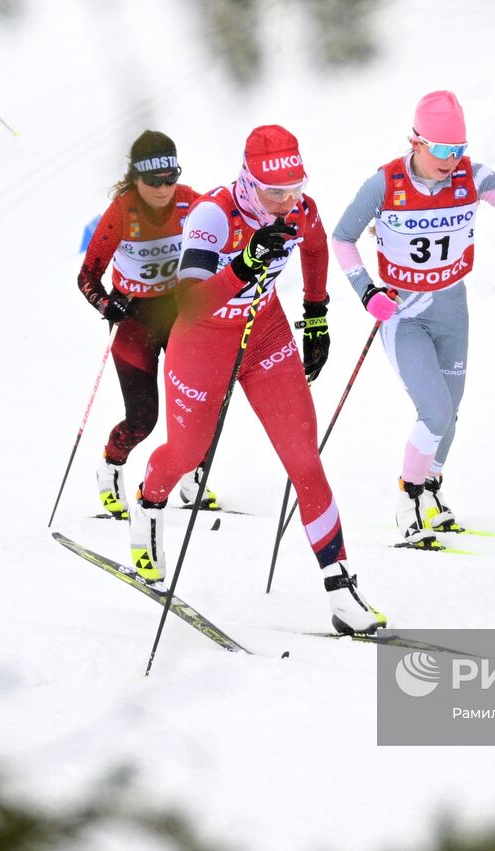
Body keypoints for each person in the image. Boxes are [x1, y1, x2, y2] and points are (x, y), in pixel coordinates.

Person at [127, 124, 385, 634]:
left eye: (295, 188)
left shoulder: (299, 209)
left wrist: (316, 315)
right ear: (248, 181)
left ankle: (340, 589)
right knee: (188, 453)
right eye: (274, 192)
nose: (287, 202)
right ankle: (148, 503)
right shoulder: (213, 215)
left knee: (304, 460)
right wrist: (246, 264)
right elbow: (191, 301)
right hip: (203, 342)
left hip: (265, 334)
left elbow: (316, 248)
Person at [331, 90, 495, 547]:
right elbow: (342, 238)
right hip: (404, 314)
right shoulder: (385, 184)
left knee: (449, 414)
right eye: (442, 149)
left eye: (459, 149)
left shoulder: (474, 177)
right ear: (416, 142)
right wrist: (366, 292)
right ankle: (408, 496)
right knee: (434, 411)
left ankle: (431, 487)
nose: (451, 160)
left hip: (452, 308)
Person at [76, 130, 220, 520]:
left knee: (199, 405)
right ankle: (111, 466)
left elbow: (227, 242)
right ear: (135, 178)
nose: (163, 189)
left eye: (170, 178)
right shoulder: (122, 211)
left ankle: (192, 477)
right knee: (144, 419)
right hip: (135, 319)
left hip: (180, 315)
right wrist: (106, 304)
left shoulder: (193, 202)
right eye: (154, 181)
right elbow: (87, 275)